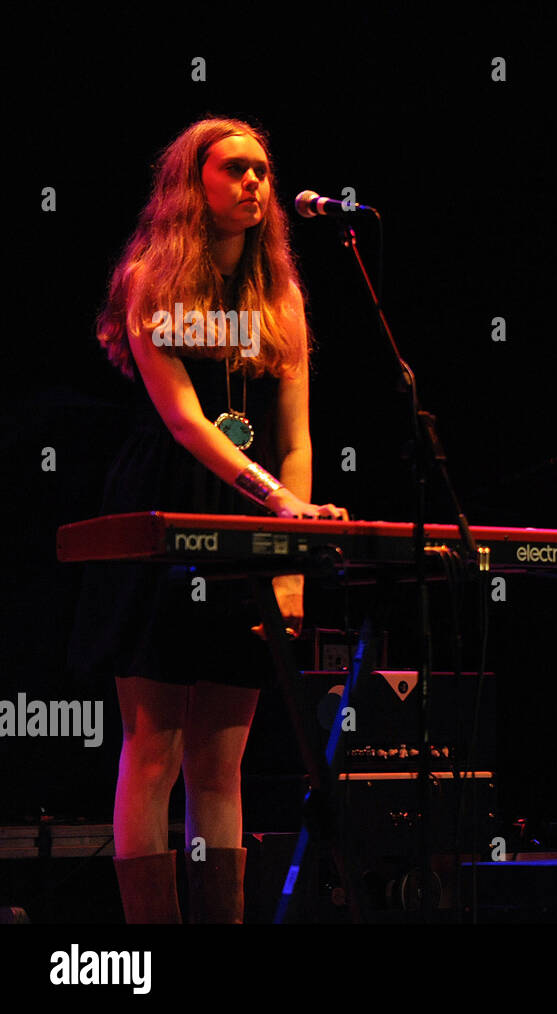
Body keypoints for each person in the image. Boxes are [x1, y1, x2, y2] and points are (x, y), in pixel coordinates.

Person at [68, 117, 349, 923]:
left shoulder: (281, 294)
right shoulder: (153, 280)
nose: (255, 183)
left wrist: (292, 566)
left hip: (257, 515)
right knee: (152, 747)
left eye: (262, 169)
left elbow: (297, 439)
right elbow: (189, 423)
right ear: (192, 184)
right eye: (235, 169)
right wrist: (285, 506)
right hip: (166, 506)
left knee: (221, 762)